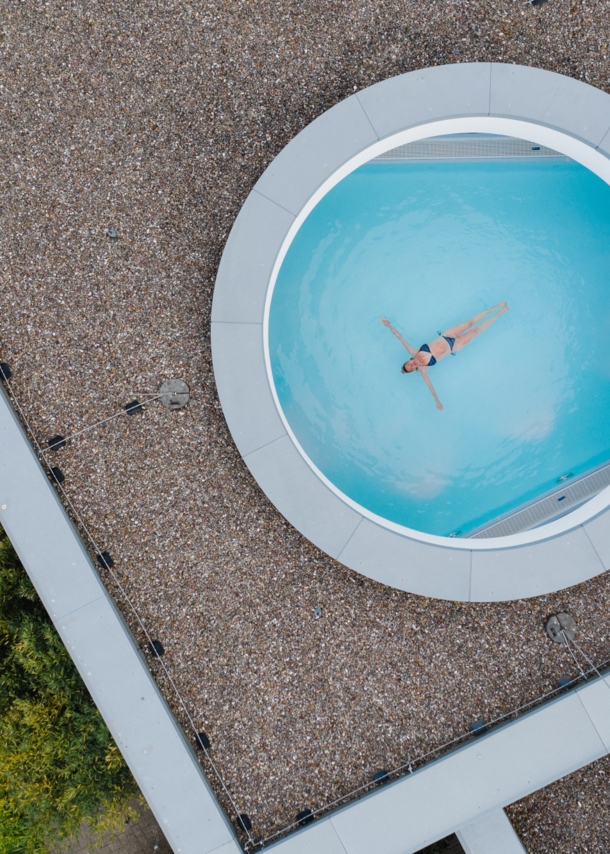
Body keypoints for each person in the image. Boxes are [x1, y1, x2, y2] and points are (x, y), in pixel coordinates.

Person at [381, 302, 509, 411]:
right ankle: (499, 313)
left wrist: (389, 325)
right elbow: (430, 386)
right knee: (476, 330)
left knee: (470, 323)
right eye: (411, 368)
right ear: (414, 369)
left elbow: (399, 337)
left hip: (447, 335)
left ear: (409, 360)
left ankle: (496, 307)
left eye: (408, 364)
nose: (412, 364)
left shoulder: (413, 351)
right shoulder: (424, 370)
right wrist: (437, 401)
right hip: (455, 346)